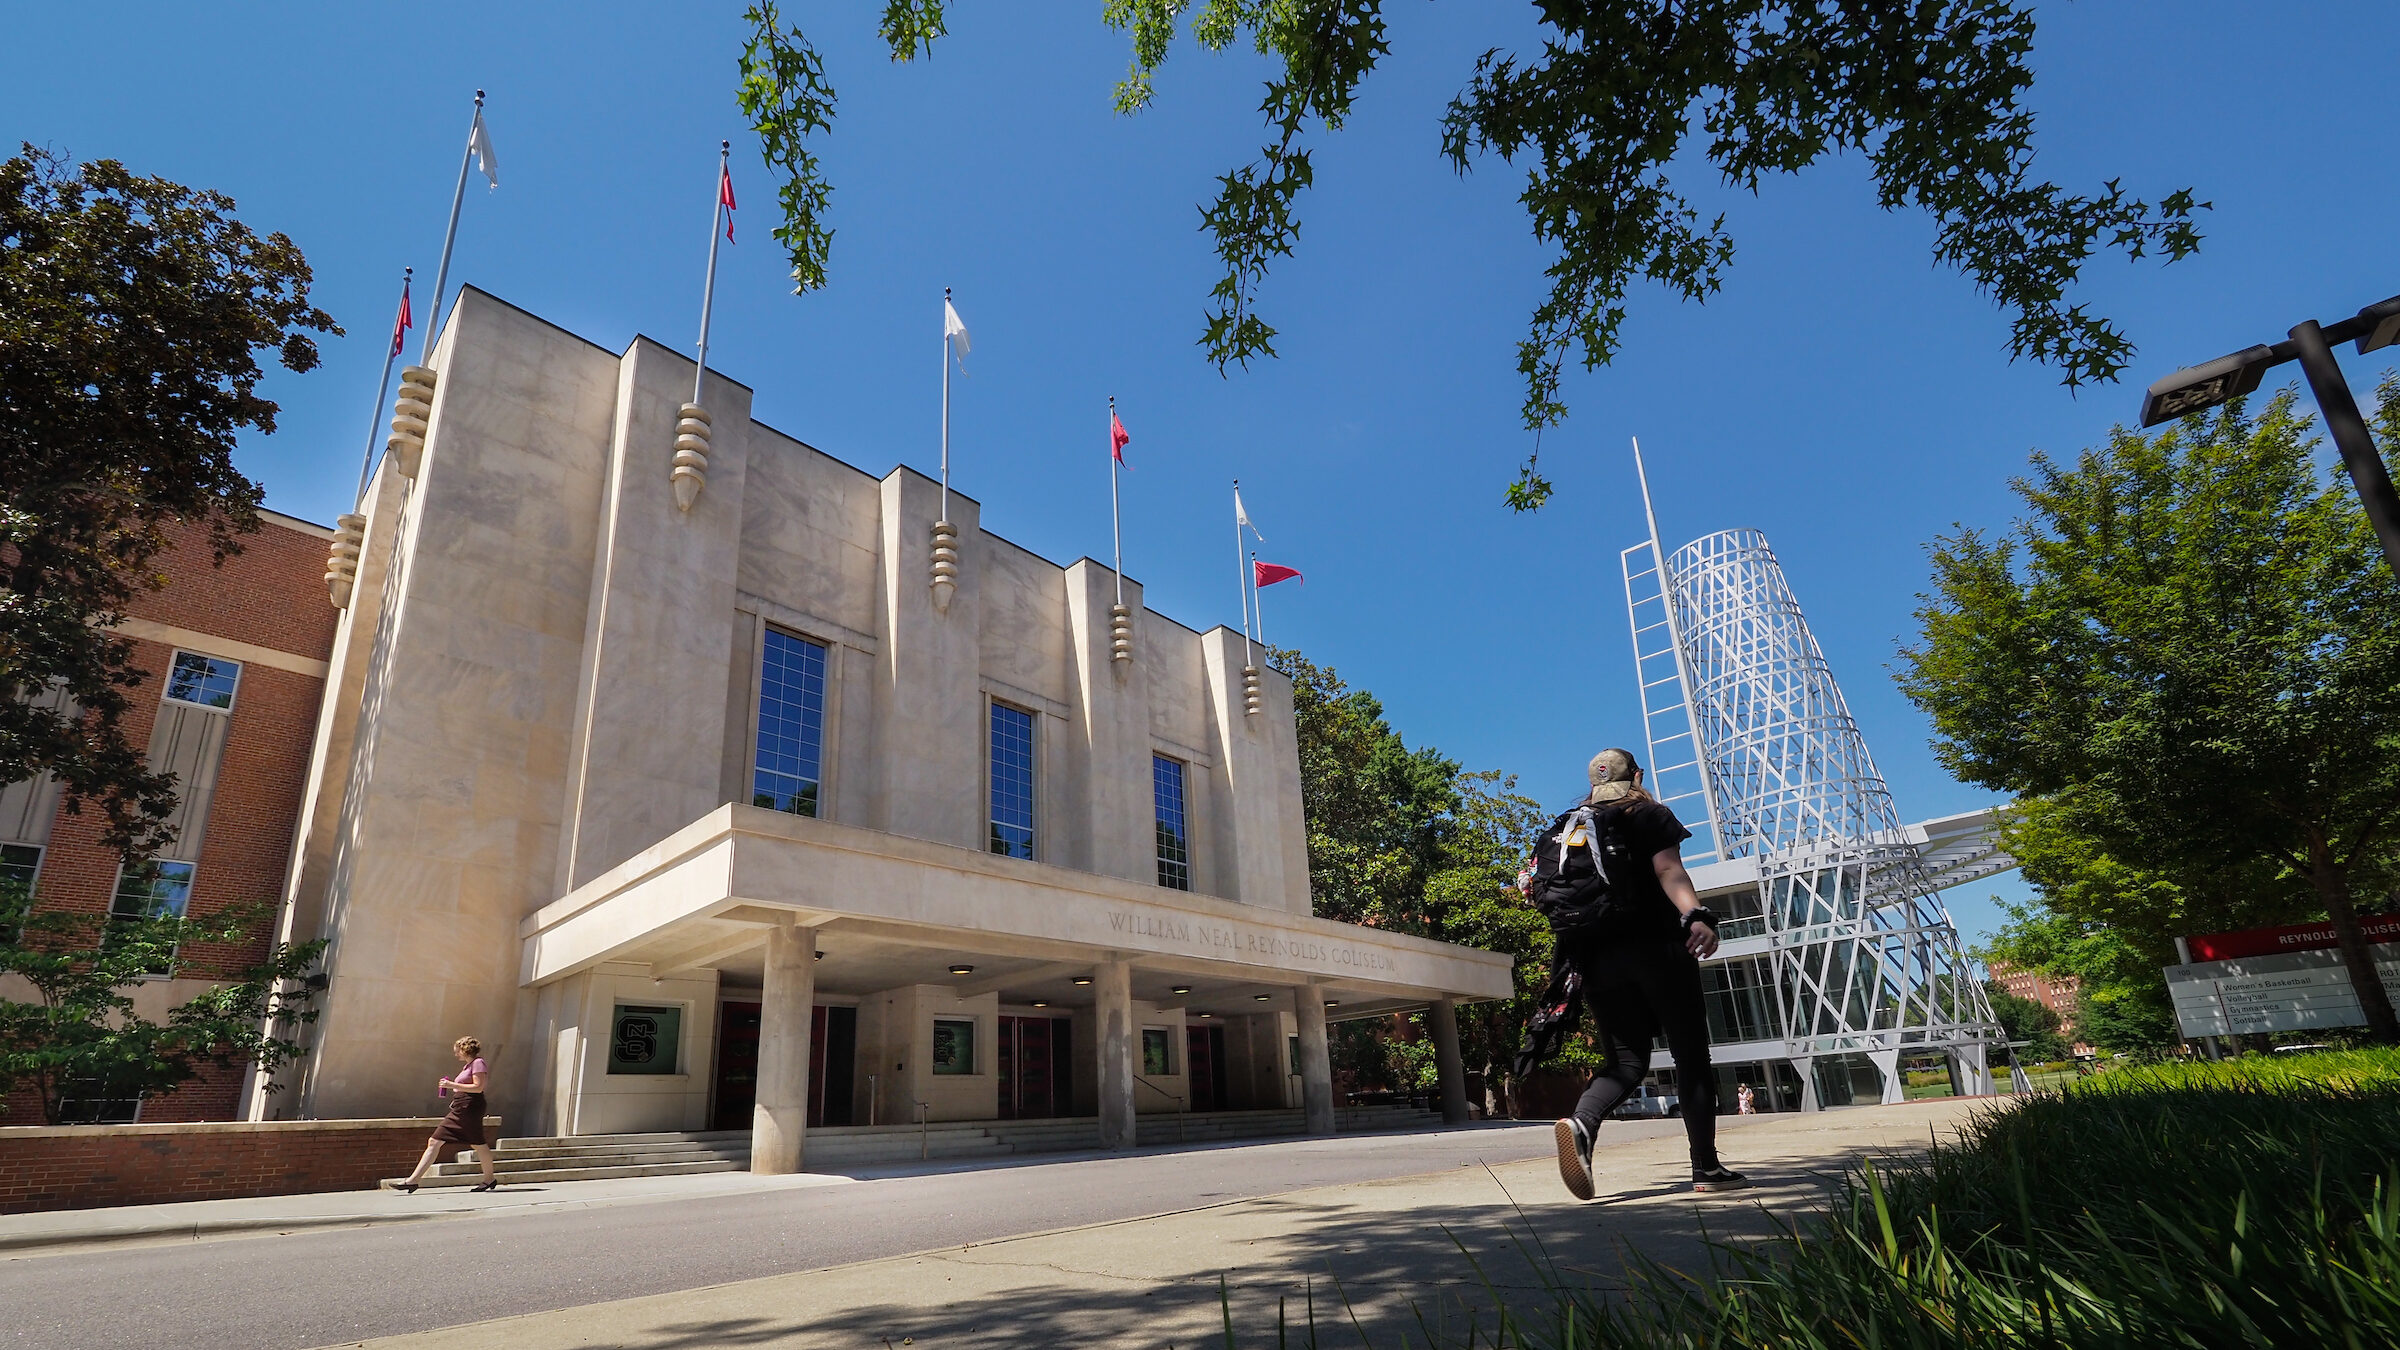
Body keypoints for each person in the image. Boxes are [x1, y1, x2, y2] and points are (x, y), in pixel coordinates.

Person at [1534, 748, 1749, 1200]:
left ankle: (1582, 1123)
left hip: (1590, 958)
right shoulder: (1647, 814)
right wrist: (1696, 916)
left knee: (1626, 1063)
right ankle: (1705, 1168)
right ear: (1637, 775)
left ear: (1593, 782)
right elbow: (1669, 868)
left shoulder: (1565, 828)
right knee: (1691, 1057)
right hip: (1657, 950)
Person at [395, 1036, 498, 1193]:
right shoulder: (468, 1066)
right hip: (461, 1107)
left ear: (464, 1049)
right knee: (437, 1142)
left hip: (469, 1107)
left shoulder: (478, 1063)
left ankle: (489, 1179)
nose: (456, 1054)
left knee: (476, 1143)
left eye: (457, 1051)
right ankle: (413, 1180)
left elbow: (479, 1087)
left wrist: (451, 1085)